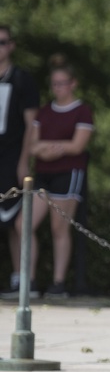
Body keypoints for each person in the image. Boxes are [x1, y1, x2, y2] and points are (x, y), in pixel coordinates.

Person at [7, 59, 94, 298]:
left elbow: (77, 146)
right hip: (43, 175)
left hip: (68, 174)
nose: (58, 88)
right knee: (23, 224)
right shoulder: (45, 111)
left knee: (59, 228)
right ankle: (29, 282)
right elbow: (32, 144)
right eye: (54, 84)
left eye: (62, 83)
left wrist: (50, 147)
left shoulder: (81, 111)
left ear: (72, 84)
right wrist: (46, 149)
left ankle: (58, 283)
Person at [0, 24, 41, 297]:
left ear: (11, 45)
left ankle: (23, 279)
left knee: (16, 220)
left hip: (12, 157)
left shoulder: (22, 80)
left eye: (2, 42)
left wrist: (23, 160)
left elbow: (32, 125)